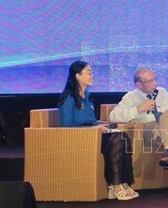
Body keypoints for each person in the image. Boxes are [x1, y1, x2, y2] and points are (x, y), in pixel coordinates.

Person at [58, 61, 138, 201]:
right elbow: (66, 126)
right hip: (78, 138)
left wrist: (106, 125)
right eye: (88, 72)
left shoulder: (88, 97)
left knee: (122, 136)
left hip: (93, 135)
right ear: (77, 76)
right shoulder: (68, 98)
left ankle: (122, 183)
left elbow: (92, 121)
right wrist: (93, 128)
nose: (92, 75)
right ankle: (116, 185)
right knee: (117, 140)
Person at [108, 66, 168, 194]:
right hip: (148, 129)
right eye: (150, 81)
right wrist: (138, 109)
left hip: (165, 127)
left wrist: (164, 114)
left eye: (155, 79)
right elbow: (113, 116)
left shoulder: (162, 93)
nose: (155, 83)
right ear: (139, 84)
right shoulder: (131, 97)